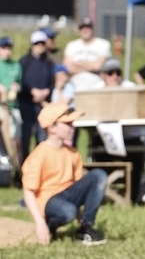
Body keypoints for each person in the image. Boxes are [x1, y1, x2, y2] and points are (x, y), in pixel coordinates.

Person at [21, 100, 106, 245]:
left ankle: (86, 228)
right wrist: (39, 223)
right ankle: (49, 227)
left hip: (68, 196)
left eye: (72, 123)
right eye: (67, 124)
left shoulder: (73, 153)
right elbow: (28, 192)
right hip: (48, 201)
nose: (72, 128)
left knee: (98, 175)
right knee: (68, 212)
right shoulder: (39, 155)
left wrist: (80, 217)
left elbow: (78, 186)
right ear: (52, 127)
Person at [18, 30, 54, 165]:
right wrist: (32, 91)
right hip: (26, 104)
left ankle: (40, 167)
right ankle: (22, 170)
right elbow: (20, 81)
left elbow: (53, 82)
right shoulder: (24, 62)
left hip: (42, 105)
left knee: (41, 138)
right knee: (25, 138)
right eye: (37, 43)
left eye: (42, 43)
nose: (40, 46)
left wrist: (45, 92)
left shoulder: (49, 63)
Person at [62, 18, 111, 91]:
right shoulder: (71, 45)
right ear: (79, 30)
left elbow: (98, 66)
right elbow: (67, 68)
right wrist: (90, 66)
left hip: (96, 84)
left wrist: (77, 63)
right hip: (75, 84)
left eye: (88, 28)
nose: (85, 30)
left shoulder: (103, 44)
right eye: (82, 28)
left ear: (92, 29)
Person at [0, 36, 22, 159]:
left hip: (13, 106)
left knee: (15, 140)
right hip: (1, 107)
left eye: (9, 48)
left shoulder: (16, 65)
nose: (6, 51)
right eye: (3, 48)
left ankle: (16, 171)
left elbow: (20, 84)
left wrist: (16, 88)